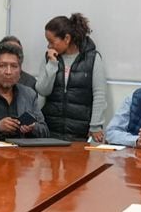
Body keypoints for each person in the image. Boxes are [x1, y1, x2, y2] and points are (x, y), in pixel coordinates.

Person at [38, 13, 110, 141]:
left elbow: (99, 94)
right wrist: (52, 64)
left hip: (80, 133)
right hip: (51, 131)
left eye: (51, 41)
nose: (49, 46)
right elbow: (43, 90)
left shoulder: (92, 58)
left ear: (66, 38)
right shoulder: (49, 58)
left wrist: (95, 126)